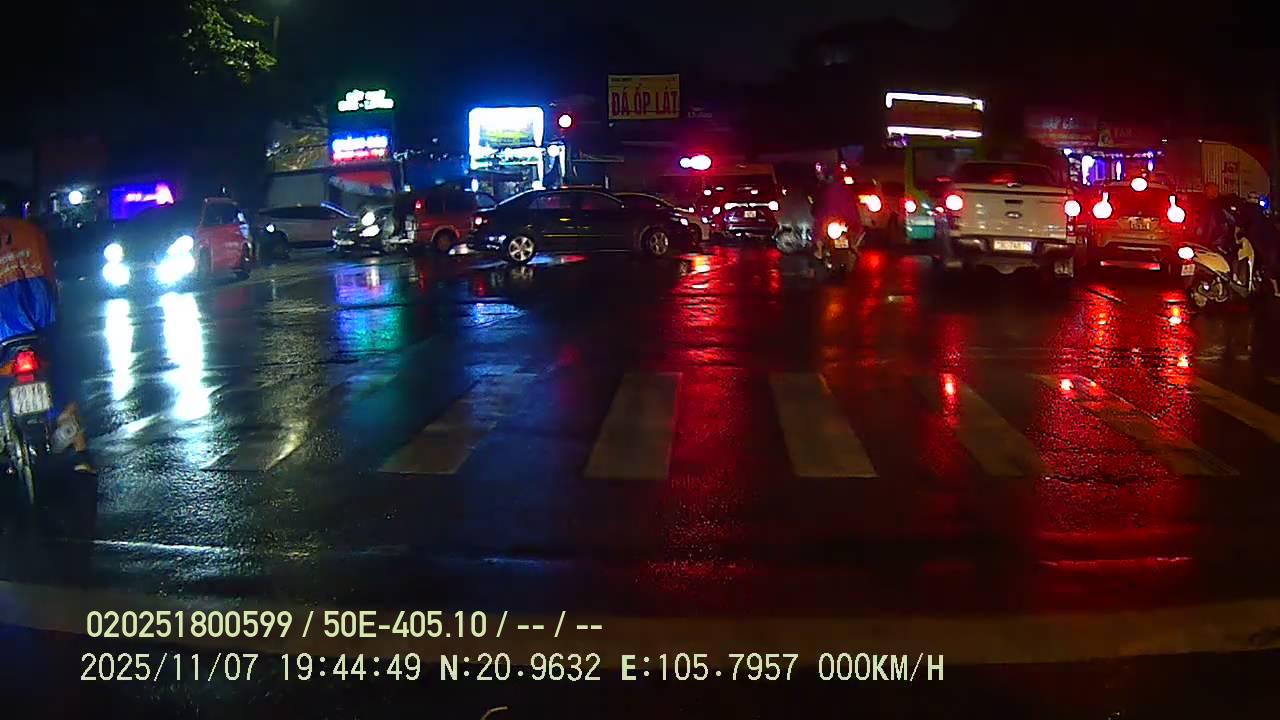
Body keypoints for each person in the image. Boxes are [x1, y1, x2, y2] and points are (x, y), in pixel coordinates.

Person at [0, 201, 95, 474]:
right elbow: (51, 279)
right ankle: (82, 456)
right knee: (63, 384)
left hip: (4, 333)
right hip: (43, 325)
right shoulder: (33, 233)